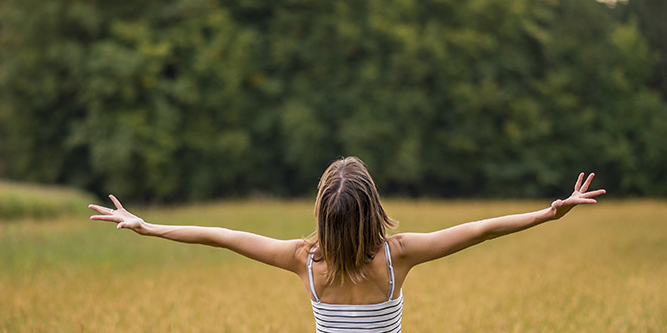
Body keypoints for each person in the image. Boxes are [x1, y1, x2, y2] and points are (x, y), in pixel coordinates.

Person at [89, 156, 606, 333]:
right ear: (372, 210)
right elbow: (480, 229)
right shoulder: (396, 256)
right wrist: (547, 213)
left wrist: (148, 226)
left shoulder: (304, 261)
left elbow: (222, 237)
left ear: (322, 215)